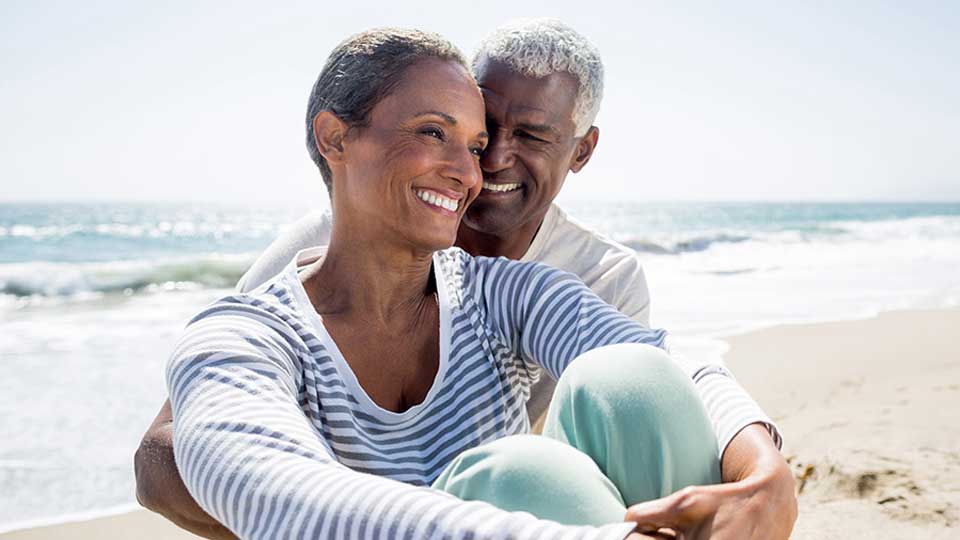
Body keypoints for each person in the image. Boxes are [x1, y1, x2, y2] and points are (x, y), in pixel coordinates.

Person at [137, 23, 796, 540]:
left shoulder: (520, 290)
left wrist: (767, 474)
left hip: (531, 506)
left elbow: (670, 366)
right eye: (437, 133)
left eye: (477, 143)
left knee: (623, 388)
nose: (475, 169)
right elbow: (251, 477)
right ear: (336, 140)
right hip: (401, 518)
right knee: (525, 478)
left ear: (581, 149)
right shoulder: (255, 322)